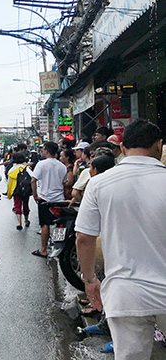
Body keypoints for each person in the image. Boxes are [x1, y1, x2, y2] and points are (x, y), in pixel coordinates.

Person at [75, 119, 166, 360]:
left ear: (123, 148)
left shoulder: (98, 183)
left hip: (126, 292)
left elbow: (83, 237)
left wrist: (90, 280)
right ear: (159, 145)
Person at [30, 141, 67, 258]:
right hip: (59, 199)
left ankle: (43, 249)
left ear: (46, 150)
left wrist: (35, 195)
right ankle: (58, 248)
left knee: (45, 224)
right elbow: (65, 183)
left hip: (45, 199)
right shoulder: (62, 166)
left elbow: (33, 180)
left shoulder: (41, 164)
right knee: (59, 224)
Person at [6, 152, 31, 230]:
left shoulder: (11, 170)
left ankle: (19, 222)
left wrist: (9, 193)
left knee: (17, 205)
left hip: (16, 190)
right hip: (25, 190)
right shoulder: (26, 168)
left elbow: (9, 183)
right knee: (25, 205)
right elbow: (32, 178)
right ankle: (26, 220)